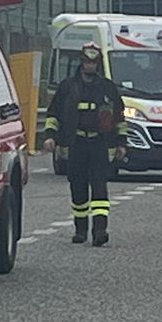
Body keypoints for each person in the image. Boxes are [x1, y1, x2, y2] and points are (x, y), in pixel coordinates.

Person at [43, 44, 126, 245]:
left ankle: (100, 230)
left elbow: (119, 118)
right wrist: (50, 136)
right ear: (81, 62)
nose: (90, 66)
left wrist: (122, 143)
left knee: (99, 188)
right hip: (76, 143)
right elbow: (54, 114)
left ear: (98, 64)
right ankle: (81, 230)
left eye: (93, 62)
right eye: (87, 62)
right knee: (78, 186)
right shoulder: (67, 87)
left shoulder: (107, 88)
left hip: (99, 143)